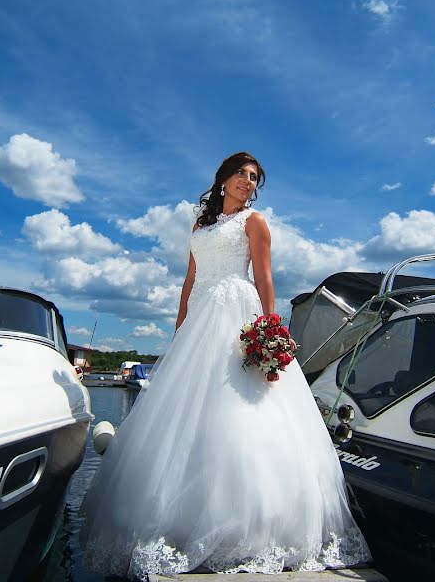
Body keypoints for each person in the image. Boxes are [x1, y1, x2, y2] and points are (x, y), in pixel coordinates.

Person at [80, 152, 371, 579]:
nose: (247, 182)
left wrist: (271, 333)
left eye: (254, 178)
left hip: (237, 310)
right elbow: (190, 280)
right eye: (241, 174)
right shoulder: (200, 225)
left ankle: (248, 523)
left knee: (238, 405)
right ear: (222, 179)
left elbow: (266, 277)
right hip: (200, 315)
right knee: (185, 408)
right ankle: (173, 512)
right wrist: (180, 329)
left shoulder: (255, 222)